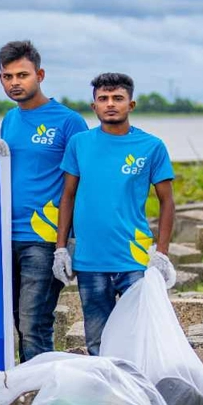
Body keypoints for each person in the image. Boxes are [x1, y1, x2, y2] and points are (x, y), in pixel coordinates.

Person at [53, 72, 177, 355]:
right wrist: (61, 249)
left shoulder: (151, 146)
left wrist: (162, 253)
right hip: (90, 259)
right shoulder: (79, 144)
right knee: (98, 341)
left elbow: (167, 202)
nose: (111, 104)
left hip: (133, 258)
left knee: (140, 338)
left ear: (130, 104)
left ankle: (140, 395)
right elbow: (67, 195)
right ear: (94, 106)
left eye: (118, 98)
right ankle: (107, 399)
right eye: (103, 99)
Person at [0, 41, 89, 363]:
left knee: (34, 324)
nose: (15, 83)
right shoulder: (9, 120)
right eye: (8, 77)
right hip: (6, 238)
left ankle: (43, 401)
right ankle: (19, 396)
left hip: (45, 239)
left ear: (40, 74)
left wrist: (69, 244)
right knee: (11, 324)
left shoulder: (69, 122)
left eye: (22, 75)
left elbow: (80, 186)